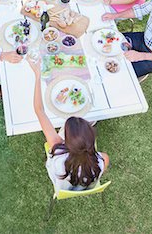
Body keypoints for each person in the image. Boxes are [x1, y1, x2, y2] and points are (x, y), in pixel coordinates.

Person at [29, 58, 109, 193]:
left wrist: (37, 76)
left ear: (66, 141)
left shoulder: (57, 151)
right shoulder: (103, 159)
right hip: (85, 184)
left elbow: (39, 110)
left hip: (61, 184)